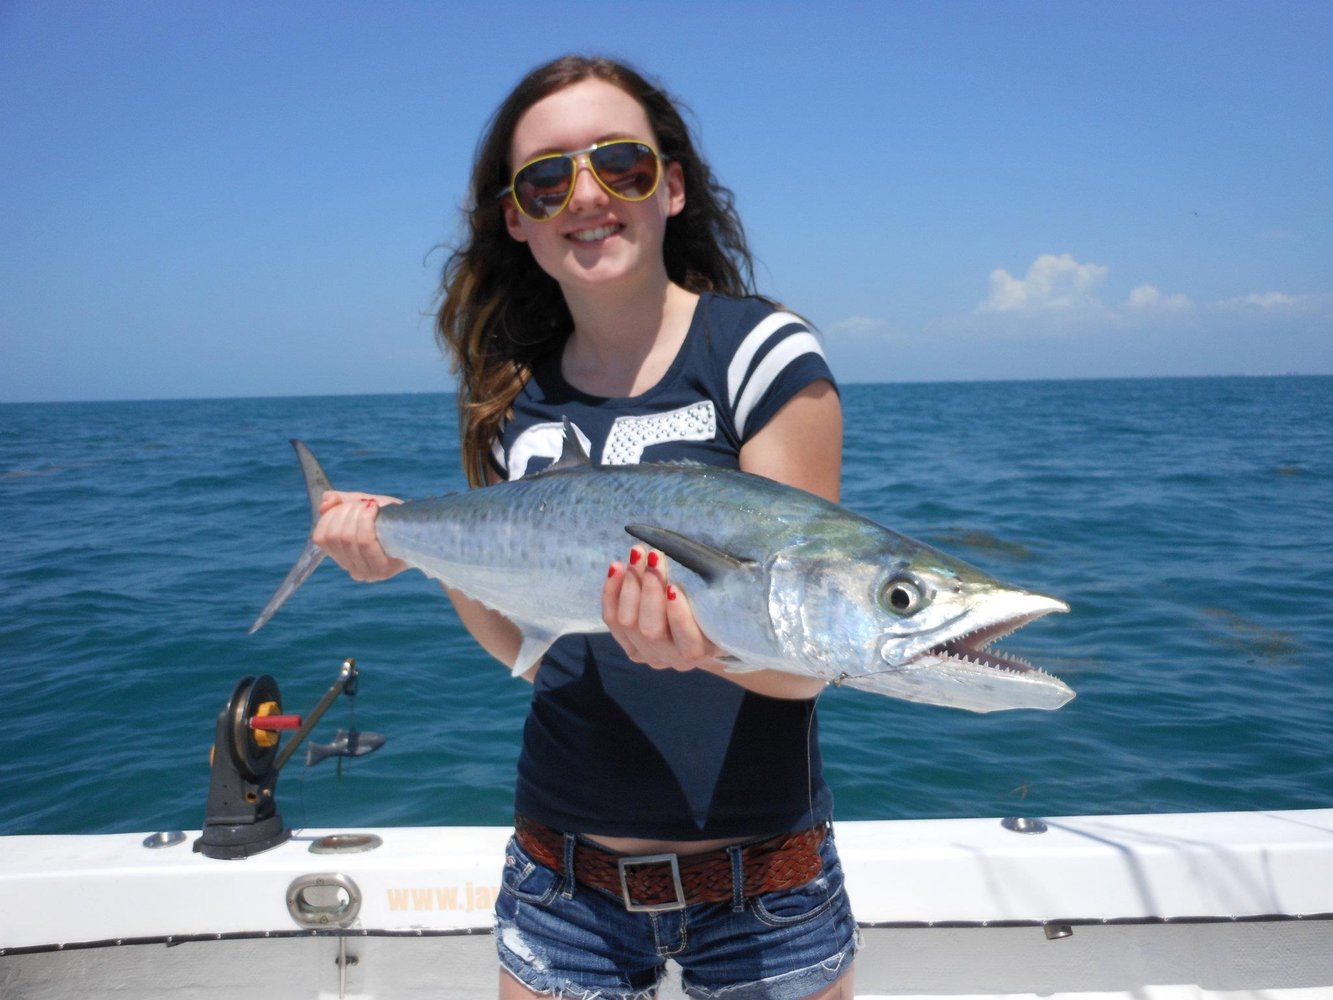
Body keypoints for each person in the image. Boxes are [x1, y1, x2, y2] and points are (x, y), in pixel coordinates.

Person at [313, 55, 855, 1000]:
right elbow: (521, 644)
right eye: (548, 178)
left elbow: (805, 658)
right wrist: (413, 548)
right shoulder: (506, 401)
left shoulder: (759, 353)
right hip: (561, 880)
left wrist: (705, 649)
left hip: (764, 880)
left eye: (623, 164)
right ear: (518, 219)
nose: (588, 193)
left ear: (672, 187)